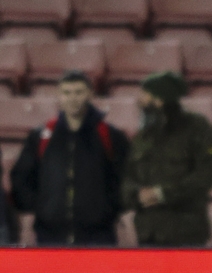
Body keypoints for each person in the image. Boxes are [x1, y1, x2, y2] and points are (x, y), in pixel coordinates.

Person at [10, 70, 129, 246]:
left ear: (90, 94)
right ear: (59, 96)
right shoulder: (41, 136)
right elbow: (21, 177)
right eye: (67, 93)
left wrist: (109, 209)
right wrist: (42, 207)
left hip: (99, 236)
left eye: (78, 92)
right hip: (49, 236)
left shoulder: (110, 136)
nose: (73, 98)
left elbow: (126, 178)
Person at [120, 71, 212, 247]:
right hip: (148, 232)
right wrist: (136, 195)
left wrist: (162, 194)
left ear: (160, 99)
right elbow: (128, 176)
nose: (140, 100)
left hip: (185, 231)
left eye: (145, 95)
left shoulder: (197, 128)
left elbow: (209, 172)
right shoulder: (143, 136)